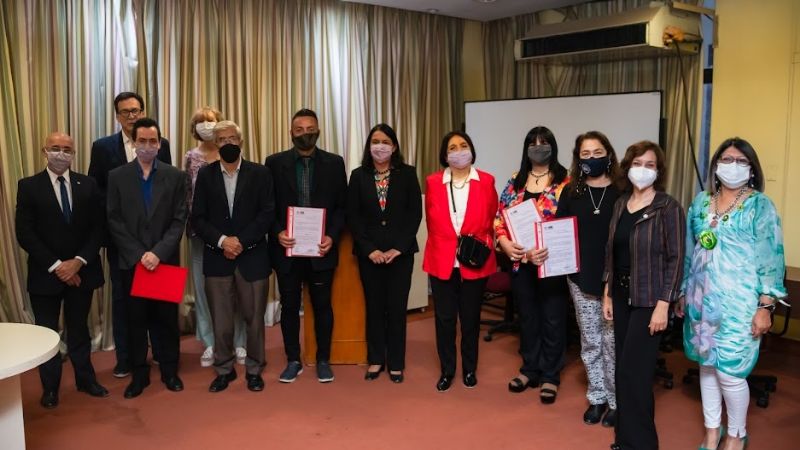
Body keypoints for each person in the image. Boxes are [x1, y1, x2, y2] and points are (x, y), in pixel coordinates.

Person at [677, 138, 786, 450]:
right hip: (701, 299)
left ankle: (736, 434)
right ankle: (713, 431)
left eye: (741, 160)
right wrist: (684, 290)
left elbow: (771, 257)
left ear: (751, 168)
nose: (733, 165)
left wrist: (765, 306)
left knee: (730, 372)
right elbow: (690, 249)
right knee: (707, 366)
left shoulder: (759, 205)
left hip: (739, 305)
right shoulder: (700, 203)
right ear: (715, 165)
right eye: (726, 159)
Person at [15, 132, 109, 408]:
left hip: (82, 271)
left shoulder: (88, 185)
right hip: (46, 275)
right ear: (45, 151)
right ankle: (50, 388)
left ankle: (86, 379)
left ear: (74, 153)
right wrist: (58, 266)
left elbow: (98, 228)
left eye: (67, 149)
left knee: (80, 329)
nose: (61, 153)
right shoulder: (28, 186)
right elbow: (25, 233)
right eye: (55, 148)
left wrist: (78, 261)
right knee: (48, 334)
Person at [602, 141, 685, 450]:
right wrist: (607, 291)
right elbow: (612, 251)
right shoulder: (621, 204)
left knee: (632, 373)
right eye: (638, 163)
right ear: (628, 167)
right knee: (627, 372)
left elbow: (676, 258)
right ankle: (625, 439)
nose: (643, 169)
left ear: (658, 171)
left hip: (650, 301)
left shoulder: (667, 206)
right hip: (621, 297)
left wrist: (665, 304)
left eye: (650, 165)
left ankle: (643, 444)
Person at [88, 92, 172, 378]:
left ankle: (161, 353)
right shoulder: (102, 148)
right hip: (121, 242)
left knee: (160, 301)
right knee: (125, 302)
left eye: (136, 110)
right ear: (117, 115)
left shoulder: (163, 144)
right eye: (125, 112)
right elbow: (97, 192)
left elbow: (168, 192)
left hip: (158, 243)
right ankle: (127, 359)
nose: (132, 115)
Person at [107, 118, 188, 398]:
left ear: (160, 143)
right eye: (142, 141)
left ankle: (169, 371)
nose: (147, 146)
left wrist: (157, 253)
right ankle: (139, 375)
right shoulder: (117, 176)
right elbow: (114, 220)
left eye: (153, 142)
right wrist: (140, 254)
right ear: (134, 142)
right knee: (135, 321)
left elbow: (179, 220)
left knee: (166, 320)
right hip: (133, 263)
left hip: (163, 261)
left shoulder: (176, 175)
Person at [192, 121, 275, 393]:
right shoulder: (205, 175)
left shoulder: (260, 173)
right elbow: (198, 218)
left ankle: (254, 369)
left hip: (252, 257)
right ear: (215, 144)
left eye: (232, 138)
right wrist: (222, 241)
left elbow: (267, 214)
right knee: (222, 321)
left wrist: (241, 241)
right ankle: (224, 369)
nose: (227, 143)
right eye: (221, 139)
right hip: (217, 258)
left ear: (241, 142)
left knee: (254, 320)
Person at [265, 108, 347, 384]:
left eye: (310, 128)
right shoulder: (274, 163)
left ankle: (323, 359)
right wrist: (277, 232)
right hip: (287, 250)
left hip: (321, 250)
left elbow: (341, 208)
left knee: (323, 305)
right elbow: (268, 206)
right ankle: (293, 360)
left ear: (319, 130)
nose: (305, 134)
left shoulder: (335, 163)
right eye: (299, 129)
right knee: (289, 307)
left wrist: (332, 236)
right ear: (291, 133)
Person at [494, 126, 569, 404]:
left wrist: (547, 248)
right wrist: (503, 243)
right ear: (526, 148)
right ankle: (530, 369)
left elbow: (570, 225)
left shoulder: (566, 181)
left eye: (544, 142)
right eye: (533, 143)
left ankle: (550, 375)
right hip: (520, 263)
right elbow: (499, 218)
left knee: (552, 319)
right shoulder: (516, 180)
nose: (539, 147)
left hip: (552, 263)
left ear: (553, 146)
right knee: (527, 318)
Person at [347, 124, 422, 383]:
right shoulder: (358, 175)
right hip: (371, 255)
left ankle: (397, 363)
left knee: (397, 308)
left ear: (394, 146)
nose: (380, 146)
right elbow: (353, 217)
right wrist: (370, 250)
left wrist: (398, 248)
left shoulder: (408, 174)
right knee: (375, 308)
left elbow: (414, 214)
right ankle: (376, 359)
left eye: (385, 141)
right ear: (369, 146)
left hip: (400, 254)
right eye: (375, 141)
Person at [423, 130, 497, 392]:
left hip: (473, 260)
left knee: (470, 319)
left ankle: (469, 369)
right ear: (445, 154)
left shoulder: (486, 181)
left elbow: (491, 219)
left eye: (463, 145)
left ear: (471, 149)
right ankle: (447, 370)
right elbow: (431, 222)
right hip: (441, 259)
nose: (458, 151)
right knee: (444, 319)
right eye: (452, 147)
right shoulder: (433, 182)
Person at [555, 131, 621, 425]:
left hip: (615, 281)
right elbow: (557, 230)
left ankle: (617, 401)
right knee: (591, 341)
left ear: (608, 154)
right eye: (585, 154)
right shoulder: (571, 192)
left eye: (597, 152)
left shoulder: (623, 191)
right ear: (577, 157)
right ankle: (597, 398)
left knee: (613, 343)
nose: (592, 158)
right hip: (579, 278)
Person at [183, 107, 248, 368]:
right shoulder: (191, 157)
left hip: (235, 235)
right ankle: (210, 342)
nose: (206, 126)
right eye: (200, 122)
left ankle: (240, 341)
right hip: (201, 234)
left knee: (238, 289)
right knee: (203, 289)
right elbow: (187, 197)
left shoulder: (234, 153)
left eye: (210, 121)